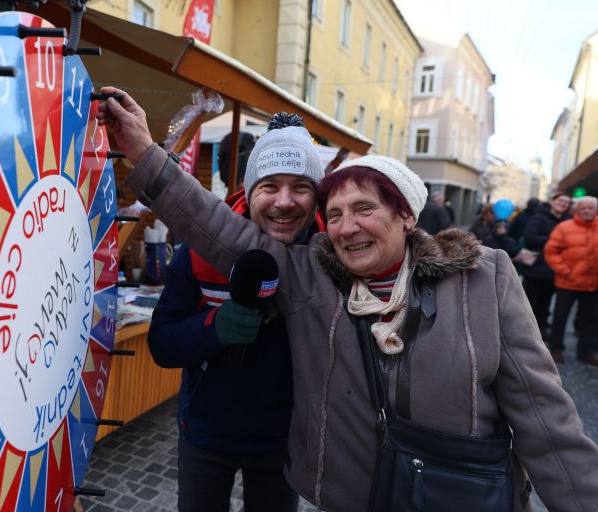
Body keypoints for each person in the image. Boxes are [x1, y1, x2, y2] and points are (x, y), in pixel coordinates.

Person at [97, 87, 598, 511]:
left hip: (452, 494)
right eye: (334, 214)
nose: (347, 226)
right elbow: (211, 225)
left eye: (365, 208)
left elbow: (547, 421)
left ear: (406, 216)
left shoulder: (482, 280)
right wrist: (144, 150)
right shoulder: (313, 272)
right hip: (344, 491)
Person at [148, 113, 323, 512]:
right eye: (270, 186)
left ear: (316, 196)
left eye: (300, 187)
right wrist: (214, 327)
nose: (284, 201)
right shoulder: (199, 253)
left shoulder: (331, 259)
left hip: (283, 442)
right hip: (206, 436)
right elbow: (161, 343)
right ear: (249, 188)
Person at [544, 196, 598, 365]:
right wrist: (565, 272)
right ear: (576, 210)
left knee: (590, 320)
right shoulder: (564, 227)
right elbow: (551, 251)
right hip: (567, 282)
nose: (587, 210)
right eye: (584, 207)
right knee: (560, 317)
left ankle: (586, 351)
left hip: (593, 284)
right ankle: (556, 349)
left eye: (591, 207)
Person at [520, 191, 571, 341]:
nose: (563, 203)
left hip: (554, 268)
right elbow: (530, 236)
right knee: (531, 301)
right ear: (553, 201)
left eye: (566, 202)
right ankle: (525, 332)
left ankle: (541, 329)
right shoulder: (539, 216)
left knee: (546, 302)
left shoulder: (568, 219)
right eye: (560, 200)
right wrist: (555, 240)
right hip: (535, 267)